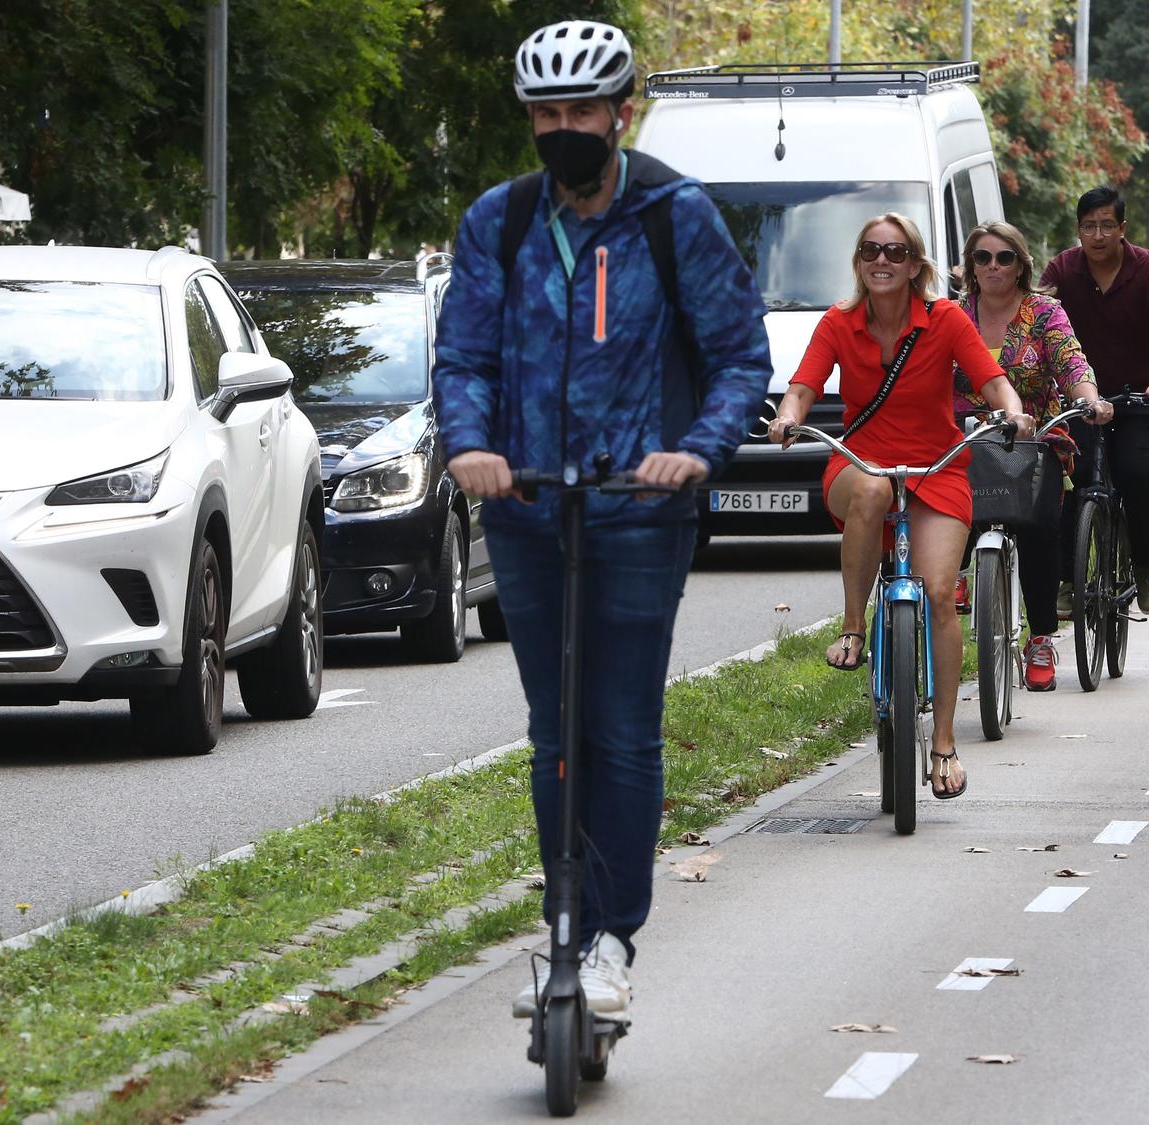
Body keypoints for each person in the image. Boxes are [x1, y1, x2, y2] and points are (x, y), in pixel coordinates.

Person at [434, 19, 772, 1024]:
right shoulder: (497, 222)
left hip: (636, 509)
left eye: (582, 110)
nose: (564, 127)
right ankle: (562, 926)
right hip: (528, 505)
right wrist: (467, 445)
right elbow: (463, 357)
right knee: (554, 733)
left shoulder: (674, 215)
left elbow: (739, 358)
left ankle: (612, 935)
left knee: (619, 731)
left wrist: (694, 451)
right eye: (547, 114)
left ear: (622, 113)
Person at [768, 213, 1033, 800]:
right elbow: (805, 386)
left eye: (895, 251)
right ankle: (854, 628)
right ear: (859, 261)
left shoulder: (944, 321)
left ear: (916, 265)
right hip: (860, 464)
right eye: (869, 251)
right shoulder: (838, 322)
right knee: (871, 489)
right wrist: (789, 417)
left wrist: (1012, 410)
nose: (880, 261)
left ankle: (942, 743)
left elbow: (991, 381)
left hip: (937, 469)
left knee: (940, 594)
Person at [955, 220, 1111, 691]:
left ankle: (1041, 637)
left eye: (1005, 257)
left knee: (1040, 525)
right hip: (960, 440)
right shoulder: (952, 314)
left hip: (1034, 440)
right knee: (942, 502)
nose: (994, 266)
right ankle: (956, 570)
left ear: (1022, 263)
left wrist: (1089, 399)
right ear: (971, 266)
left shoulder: (1045, 313)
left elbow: (1071, 361)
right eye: (983, 257)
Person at [1038, 185, 1149, 616]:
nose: (1097, 236)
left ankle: (1144, 563)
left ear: (1122, 229)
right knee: (1075, 476)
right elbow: (1033, 313)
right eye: (1088, 227)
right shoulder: (1063, 269)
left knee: (1137, 472)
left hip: (1140, 401)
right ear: (1078, 230)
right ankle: (1069, 576)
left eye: (1106, 226)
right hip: (1082, 400)